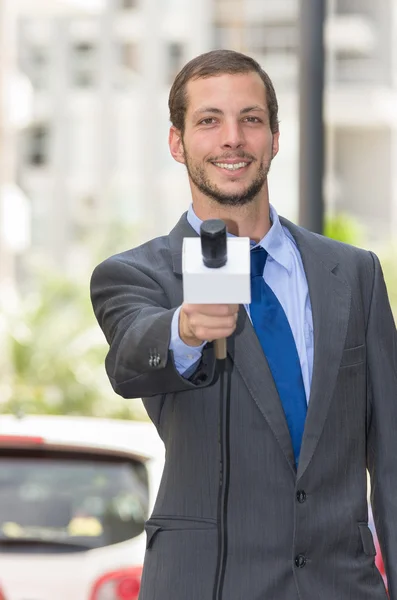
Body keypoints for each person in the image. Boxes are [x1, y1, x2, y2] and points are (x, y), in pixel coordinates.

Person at [90, 49, 397, 600]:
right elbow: (131, 358)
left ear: (274, 138)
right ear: (177, 143)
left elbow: (394, 456)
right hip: (207, 584)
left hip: (342, 586)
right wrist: (183, 329)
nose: (232, 138)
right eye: (209, 121)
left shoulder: (353, 274)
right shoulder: (135, 274)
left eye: (250, 119)